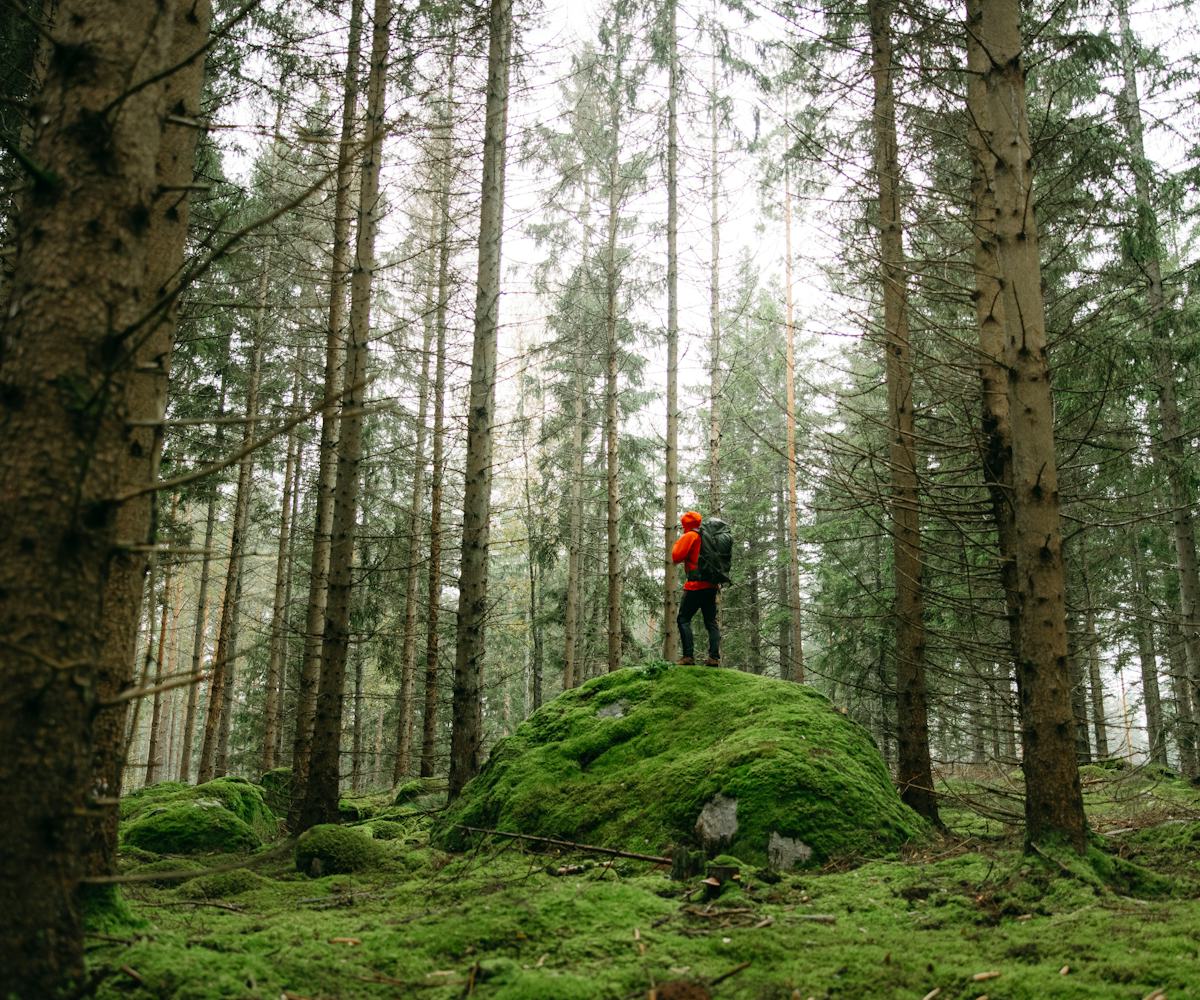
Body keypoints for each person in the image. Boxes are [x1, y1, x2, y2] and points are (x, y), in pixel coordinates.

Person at [671, 510, 720, 666]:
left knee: (683, 619)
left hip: (695, 586)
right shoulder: (709, 536)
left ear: (686, 523)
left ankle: (688, 656)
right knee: (711, 622)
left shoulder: (690, 536)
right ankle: (714, 658)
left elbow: (676, 556)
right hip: (711, 585)